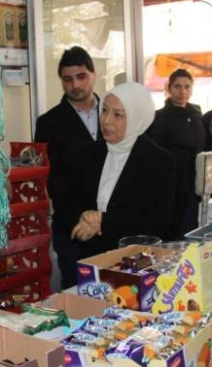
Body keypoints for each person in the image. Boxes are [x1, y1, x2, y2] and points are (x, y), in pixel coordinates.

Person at [71, 82, 176, 259]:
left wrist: (103, 222)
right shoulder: (88, 154)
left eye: (117, 115)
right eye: (104, 110)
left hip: (137, 262)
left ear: (137, 118)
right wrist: (84, 219)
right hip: (91, 258)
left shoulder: (159, 161)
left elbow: (157, 222)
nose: (106, 120)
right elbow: (70, 201)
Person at [34, 46, 100, 288]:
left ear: (94, 75)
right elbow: (53, 181)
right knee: (78, 293)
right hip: (72, 227)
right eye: (68, 79)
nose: (75, 85)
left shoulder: (112, 113)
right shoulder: (49, 123)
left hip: (112, 223)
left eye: (81, 77)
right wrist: (83, 219)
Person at [146, 69, 204, 237]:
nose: (182, 92)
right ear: (169, 88)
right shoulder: (159, 117)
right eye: (177, 86)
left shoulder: (196, 114)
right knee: (175, 225)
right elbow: (157, 152)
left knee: (195, 225)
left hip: (196, 180)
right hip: (173, 182)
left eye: (187, 87)